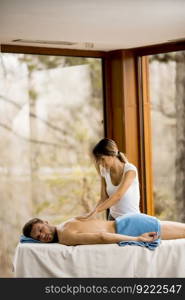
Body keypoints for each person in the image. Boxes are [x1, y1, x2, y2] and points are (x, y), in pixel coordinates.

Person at [22, 213, 185, 250]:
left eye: (40, 229)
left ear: (46, 222)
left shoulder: (65, 236)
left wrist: (136, 238)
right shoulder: (67, 222)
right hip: (126, 221)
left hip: (129, 228)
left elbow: (101, 236)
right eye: (38, 237)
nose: (42, 236)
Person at [78, 138, 140, 220]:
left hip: (132, 219)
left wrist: (96, 211)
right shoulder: (104, 171)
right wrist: (92, 213)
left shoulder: (130, 170)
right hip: (113, 218)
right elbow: (103, 198)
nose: (100, 163)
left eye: (102, 159)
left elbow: (118, 196)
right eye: (98, 160)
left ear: (113, 154)